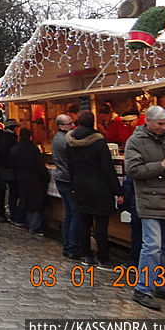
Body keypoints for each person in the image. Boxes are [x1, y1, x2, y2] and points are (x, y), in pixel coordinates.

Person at [125, 105, 165, 310]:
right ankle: (143, 289)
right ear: (148, 121)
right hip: (150, 200)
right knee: (152, 246)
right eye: (160, 124)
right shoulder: (135, 141)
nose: (163, 127)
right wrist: (160, 165)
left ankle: (163, 285)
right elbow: (133, 170)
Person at [66, 110, 123, 268]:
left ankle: (86, 254)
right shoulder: (98, 142)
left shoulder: (70, 141)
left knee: (84, 221)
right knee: (101, 224)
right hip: (99, 186)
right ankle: (103, 256)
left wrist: (73, 185)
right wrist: (117, 191)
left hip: (80, 185)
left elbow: (70, 166)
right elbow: (107, 168)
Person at [8, 128, 50, 235]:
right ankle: (34, 226)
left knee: (25, 200)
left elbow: (12, 166)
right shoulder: (33, 149)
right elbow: (40, 166)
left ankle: (28, 222)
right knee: (35, 203)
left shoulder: (14, 150)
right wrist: (46, 176)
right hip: (34, 179)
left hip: (21, 178)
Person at [52, 111, 81, 260]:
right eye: (70, 123)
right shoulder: (66, 140)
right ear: (62, 126)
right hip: (68, 180)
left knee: (69, 213)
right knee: (74, 213)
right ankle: (72, 246)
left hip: (62, 178)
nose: (73, 125)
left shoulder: (58, 138)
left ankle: (67, 244)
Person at [0, 118, 18, 221]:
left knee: (1, 191)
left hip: (1, 167)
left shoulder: (2, 137)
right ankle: (3, 213)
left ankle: (0, 212)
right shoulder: (10, 138)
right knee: (8, 191)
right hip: (7, 168)